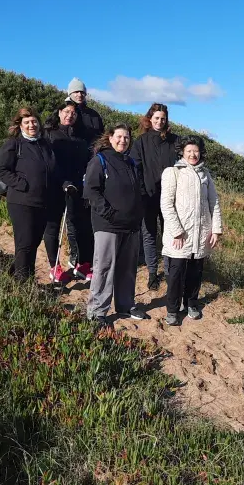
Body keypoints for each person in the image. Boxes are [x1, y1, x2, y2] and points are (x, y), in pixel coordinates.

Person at [84, 123, 148, 325]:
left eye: (127, 137)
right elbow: (91, 191)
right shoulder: (100, 160)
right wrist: (110, 213)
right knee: (104, 267)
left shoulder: (130, 163)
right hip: (108, 224)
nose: (123, 140)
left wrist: (138, 216)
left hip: (131, 225)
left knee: (128, 268)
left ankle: (125, 305)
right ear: (110, 138)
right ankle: (97, 312)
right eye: (119, 136)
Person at [159, 135, 223, 326]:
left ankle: (191, 303)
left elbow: (214, 202)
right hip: (180, 234)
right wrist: (177, 231)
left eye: (196, 151)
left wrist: (216, 229)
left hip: (201, 232)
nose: (193, 154)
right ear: (182, 152)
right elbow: (166, 204)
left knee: (196, 271)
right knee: (176, 273)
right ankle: (172, 309)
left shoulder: (205, 174)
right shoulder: (172, 172)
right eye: (189, 151)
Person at [0, 108, 63, 282]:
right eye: (27, 122)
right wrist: (22, 184)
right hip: (21, 201)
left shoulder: (45, 144)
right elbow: (2, 170)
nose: (31, 125)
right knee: (25, 243)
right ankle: (23, 282)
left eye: (34, 121)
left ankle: (20, 275)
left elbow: (52, 169)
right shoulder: (13, 144)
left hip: (43, 202)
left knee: (33, 243)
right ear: (20, 125)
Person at [129, 102, 179, 290]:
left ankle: (168, 271)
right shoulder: (141, 141)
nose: (160, 121)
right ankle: (152, 273)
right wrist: (142, 190)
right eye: (156, 118)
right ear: (150, 119)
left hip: (171, 198)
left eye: (163, 118)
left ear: (166, 120)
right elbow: (136, 167)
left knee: (169, 233)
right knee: (149, 234)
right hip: (148, 196)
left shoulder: (175, 140)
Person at [42, 101, 93, 281]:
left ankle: (83, 265)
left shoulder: (81, 137)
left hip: (77, 187)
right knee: (53, 227)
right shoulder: (49, 134)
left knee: (81, 226)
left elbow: (87, 161)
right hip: (55, 187)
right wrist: (62, 182)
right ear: (59, 112)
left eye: (73, 113)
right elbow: (47, 163)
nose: (69, 115)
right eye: (66, 111)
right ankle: (54, 266)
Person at [66, 78, 105, 150]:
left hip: (92, 154)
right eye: (76, 92)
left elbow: (101, 135)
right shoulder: (63, 112)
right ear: (70, 94)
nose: (79, 95)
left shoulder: (94, 114)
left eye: (82, 92)